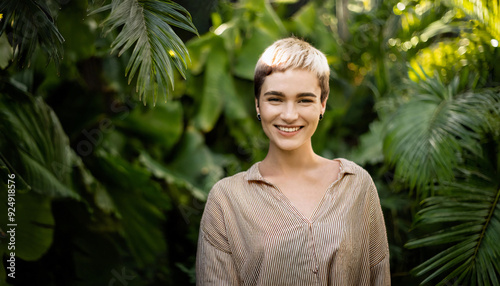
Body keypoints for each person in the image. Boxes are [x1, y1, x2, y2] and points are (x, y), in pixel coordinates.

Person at [196, 37, 390, 285]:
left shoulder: (356, 185)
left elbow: (379, 275)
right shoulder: (226, 200)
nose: (289, 115)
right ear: (257, 104)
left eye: (304, 100)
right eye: (275, 99)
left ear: (322, 104)